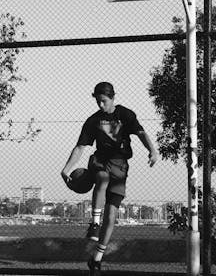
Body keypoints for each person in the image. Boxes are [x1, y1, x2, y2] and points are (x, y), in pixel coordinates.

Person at [61, 82, 159, 276]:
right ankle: (94, 223)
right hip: (100, 160)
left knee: (112, 217)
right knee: (102, 178)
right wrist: (66, 169)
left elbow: (141, 133)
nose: (100, 105)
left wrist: (152, 150)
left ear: (112, 98)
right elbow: (80, 147)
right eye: (97, 101)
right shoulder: (93, 120)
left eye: (103, 101)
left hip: (120, 166)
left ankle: (96, 259)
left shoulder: (126, 115)